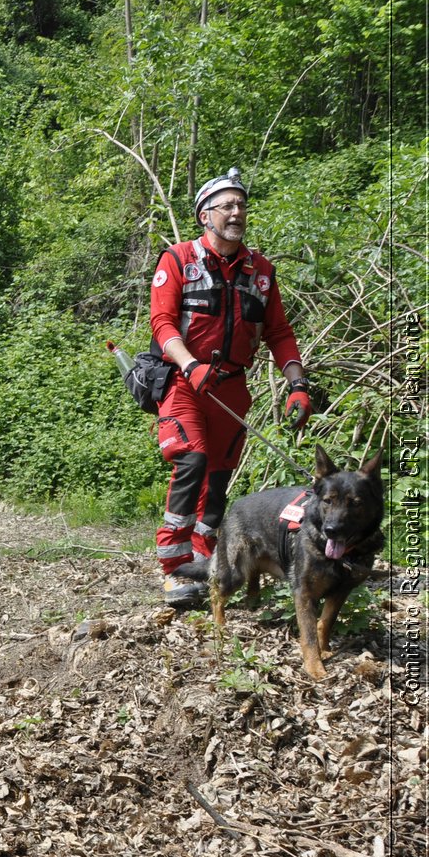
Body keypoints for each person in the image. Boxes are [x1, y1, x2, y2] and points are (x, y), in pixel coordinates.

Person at [149, 166, 312, 608]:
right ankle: (173, 567)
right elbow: (162, 323)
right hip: (184, 382)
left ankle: (204, 556)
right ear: (205, 215)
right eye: (227, 206)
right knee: (193, 459)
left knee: (218, 477)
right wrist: (190, 363)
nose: (236, 212)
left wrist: (297, 384)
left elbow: (279, 333)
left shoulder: (261, 271)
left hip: (232, 388)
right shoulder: (178, 259)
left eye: (241, 204)